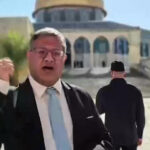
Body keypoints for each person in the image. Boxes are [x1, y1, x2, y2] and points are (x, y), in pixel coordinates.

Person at [0, 27, 113, 150]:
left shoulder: (81, 97)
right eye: (42, 52)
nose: (49, 58)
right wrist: (2, 84)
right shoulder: (11, 100)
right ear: (29, 56)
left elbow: (104, 139)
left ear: (64, 58)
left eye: (56, 53)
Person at [96, 61, 145, 150]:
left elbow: (97, 113)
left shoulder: (103, 92)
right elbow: (140, 117)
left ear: (112, 73)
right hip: (130, 136)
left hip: (111, 136)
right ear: (124, 73)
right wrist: (140, 135)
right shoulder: (135, 91)